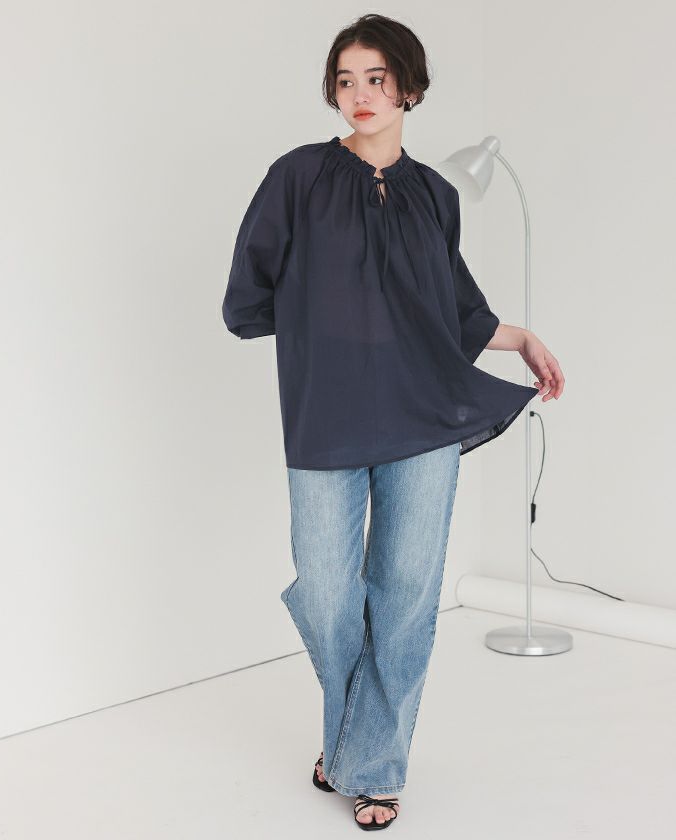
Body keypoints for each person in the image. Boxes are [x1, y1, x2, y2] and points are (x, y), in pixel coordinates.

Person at [221, 13, 564, 830]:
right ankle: (357, 745)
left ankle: (369, 767)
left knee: (406, 597)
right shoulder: (297, 177)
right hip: (327, 418)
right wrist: (320, 328)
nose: (360, 94)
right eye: (345, 80)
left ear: (408, 86)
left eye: (376, 78)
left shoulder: (435, 195)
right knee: (328, 594)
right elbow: (248, 297)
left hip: (421, 417)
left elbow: (453, 306)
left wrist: (518, 337)